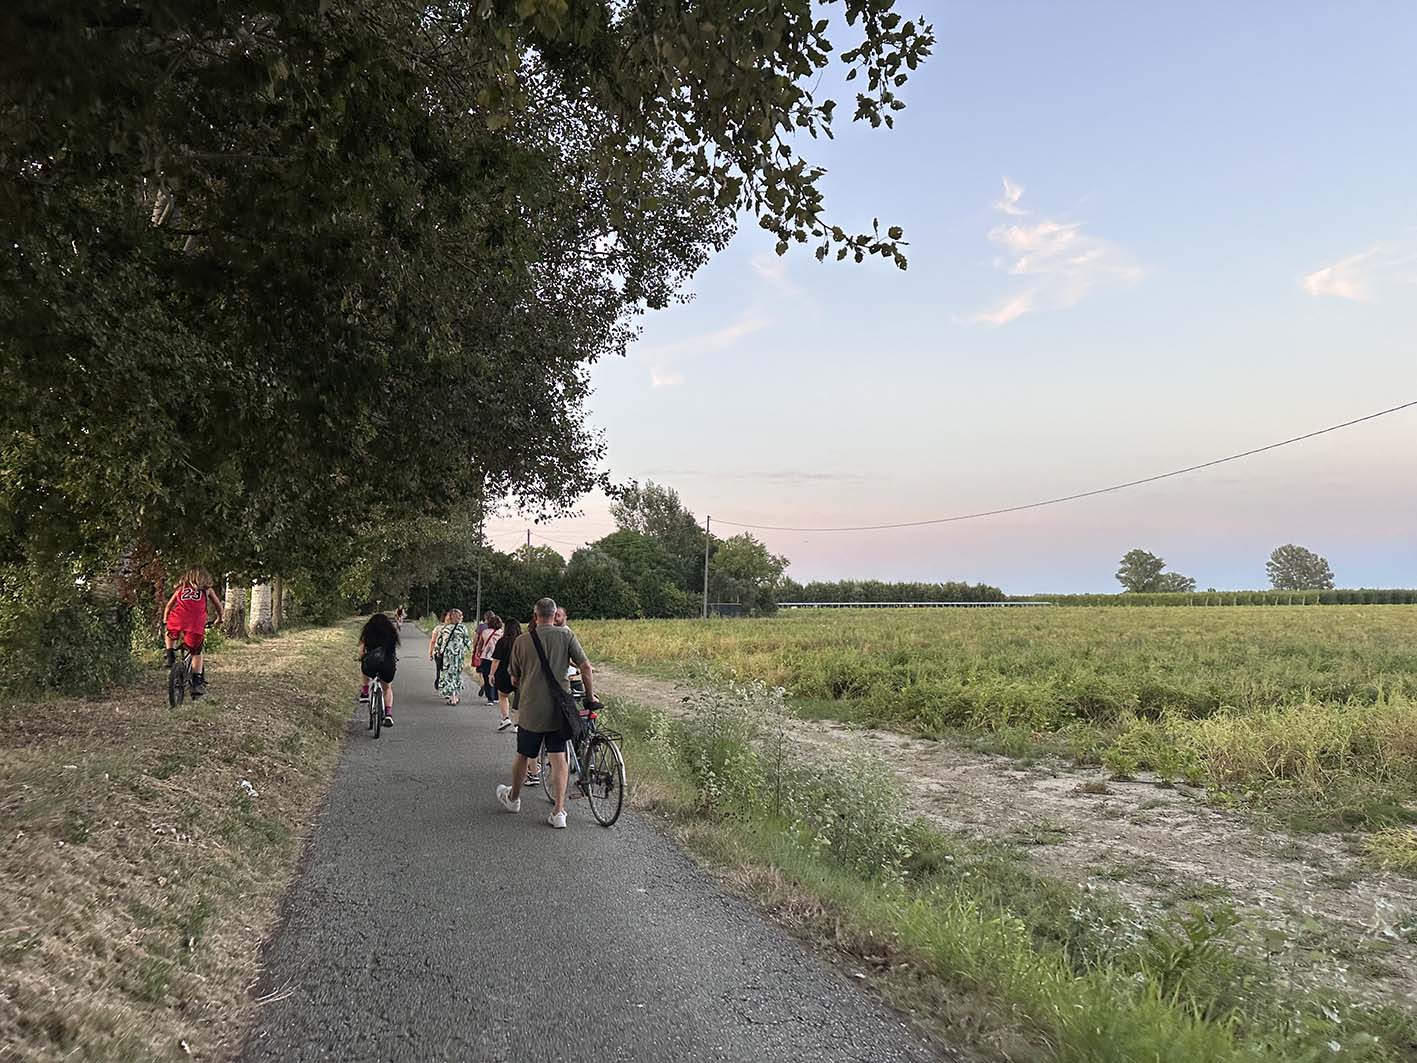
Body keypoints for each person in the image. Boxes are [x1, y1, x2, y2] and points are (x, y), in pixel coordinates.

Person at [496, 598, 598, 829]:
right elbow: (585, 667)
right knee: (559, 757)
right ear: (554, 615)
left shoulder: (522, 641)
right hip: (559, 710)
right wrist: (590, 697)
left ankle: (513, 799)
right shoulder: (566, 636)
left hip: (531, 708)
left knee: (523, 754)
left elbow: (514, 678)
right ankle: (559, 811)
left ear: (535, 616)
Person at [162, 566, 224, 698]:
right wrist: (219, 618)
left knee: (170, 634)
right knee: (196, 652)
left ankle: (170, 655)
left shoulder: (181, 589)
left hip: (177, 619)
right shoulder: (207, 590)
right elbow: (218, 606)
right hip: (195, 624)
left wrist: (165, 619)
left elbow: (169, 606)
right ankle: (196, 683)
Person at [358, 612, 399, 728]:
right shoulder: (391, 633)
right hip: (387, 664)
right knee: (387, 688)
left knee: (364, 669)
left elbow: (361, 650)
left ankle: (365, 692)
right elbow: (393, 650)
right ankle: (388, 714)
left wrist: (361, 657)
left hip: (371, 663)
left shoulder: (367, 632)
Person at [488, 617, 520, 731]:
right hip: (520, 673)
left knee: (503, 695)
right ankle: (517, 724)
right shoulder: (522, 640)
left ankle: (506, 718)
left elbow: (496, 660)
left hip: (504, 673)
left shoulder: (502, 641)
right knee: (519, 699)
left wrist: (491, 674)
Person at [438, 609, 471, 705]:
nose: (462, 617)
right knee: (457, 675)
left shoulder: (445, 628)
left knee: (449, 675)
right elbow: (467, 641)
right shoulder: (462, 628)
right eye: (461, 615)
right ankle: (455, 697)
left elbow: (439, 642)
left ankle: (452, 697)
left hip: (448, 655)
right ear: (457, 617)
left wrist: (437, 652)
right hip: (458, 656)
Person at [475, 614, 502, 704]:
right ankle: (496, 697)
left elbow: (480, 643)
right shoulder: (501, 633)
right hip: (498, 658)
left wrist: (478, 652)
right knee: (497, 677)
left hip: (486, 657)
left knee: (487, 678)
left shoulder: (485, 632)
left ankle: (490, 698)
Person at [428, 610, 451, 690]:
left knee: (440, 668)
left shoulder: (438, 628)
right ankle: (442, 682)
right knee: (445, 669)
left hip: (440, 652)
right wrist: (430, 652)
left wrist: (430, 653)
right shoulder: (440, 628)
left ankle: (440, 681)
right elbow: (433, 641)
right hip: (443, 652)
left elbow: (433, 641)